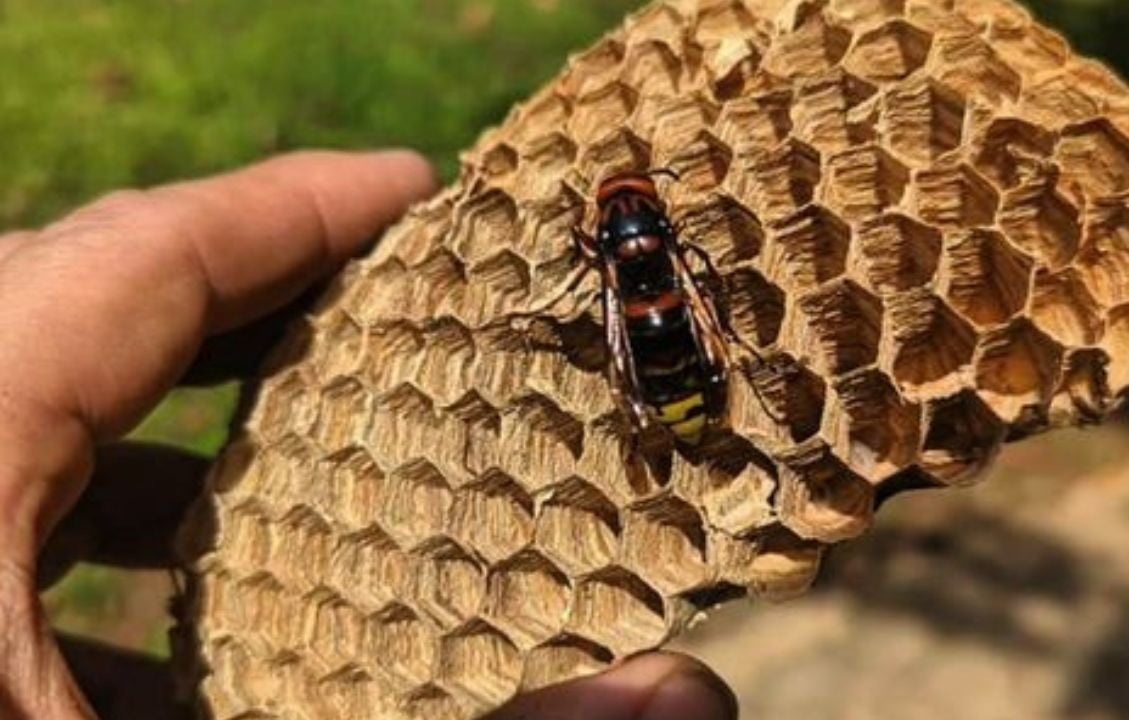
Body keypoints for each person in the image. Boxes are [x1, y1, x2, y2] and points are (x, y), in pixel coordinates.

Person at [0, 150, 738, 720]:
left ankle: (667, 407)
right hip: (667, 325)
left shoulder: (605, 262)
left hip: (640, 334)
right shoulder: (662, 248)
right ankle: (682, 404)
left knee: (639, 340)